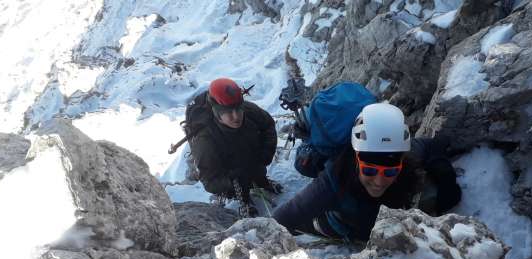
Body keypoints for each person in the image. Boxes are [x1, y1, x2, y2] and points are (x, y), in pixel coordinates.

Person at [273, 103, 460, 242]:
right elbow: (282, 219)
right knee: (316, 224)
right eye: (369, 170)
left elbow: (436, 145)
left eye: (390, 171)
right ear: (356, 160)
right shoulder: (334, 181)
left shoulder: (407, 159)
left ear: (401, 162)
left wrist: (446, 178)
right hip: (337, 225)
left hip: (376, 218)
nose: (379, 181)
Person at [187, 78, 280, 215]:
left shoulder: (247, 110)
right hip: (230, 172)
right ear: (217, 112)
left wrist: (267, 152)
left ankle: (261, 181)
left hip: (251, 156)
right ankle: (244, 199)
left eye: (238, 109)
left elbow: (268, 125)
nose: (236, 116)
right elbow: (210, 181)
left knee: (257, 168)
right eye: (228, 112)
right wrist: (231, 180)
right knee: (240, 182)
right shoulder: (204, 140)